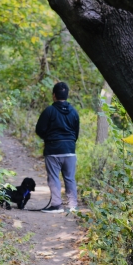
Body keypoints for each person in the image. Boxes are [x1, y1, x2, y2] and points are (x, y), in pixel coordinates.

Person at [35, 82, 80, 213]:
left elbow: (39, 129)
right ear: (67, 95)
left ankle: (56, 205)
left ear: (54, 95)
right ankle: (72, 205)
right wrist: (70, 143)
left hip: (53, 149)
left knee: (54, 177)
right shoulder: (74, 112)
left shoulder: (49, 111)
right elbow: (76, 132)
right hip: (70, 150)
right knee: (70, 178)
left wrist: (48, 139)